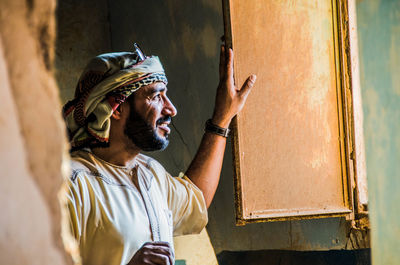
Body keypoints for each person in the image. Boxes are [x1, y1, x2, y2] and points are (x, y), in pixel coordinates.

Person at [62, 43, 256, 265]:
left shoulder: (150, 173)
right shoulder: (70, 185)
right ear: (116, 108)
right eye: (156, 96)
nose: (171, 109)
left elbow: (195, 199)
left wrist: (222, 118)